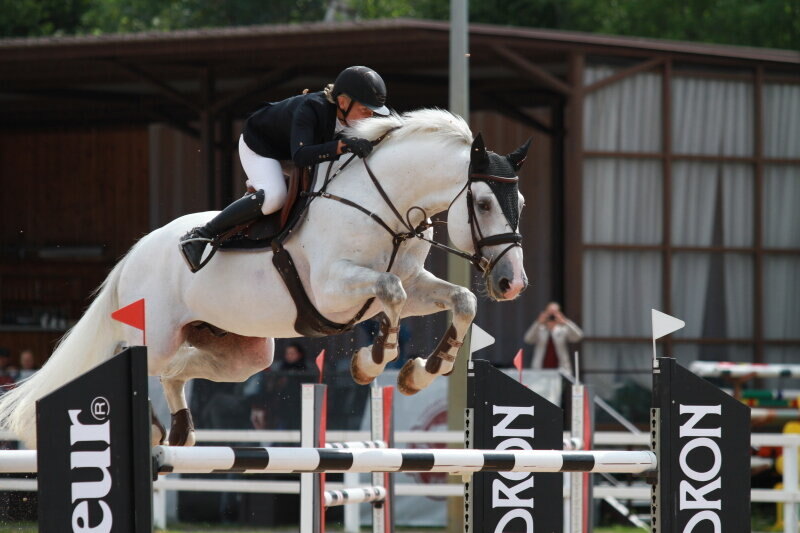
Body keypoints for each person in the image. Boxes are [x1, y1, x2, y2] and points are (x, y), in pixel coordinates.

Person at [179, 65, 390, 272]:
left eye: (372, 112)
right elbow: (301, 156)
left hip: (290, 150)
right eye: (365, 110)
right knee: (275, 197)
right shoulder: (311, 108)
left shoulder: (348, 118)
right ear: (343, 102)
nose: (369, 117)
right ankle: (200, 235)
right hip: (261, 146)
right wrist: (343, 146)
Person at [523, 302, 584, 374]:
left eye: (554, 313)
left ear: (559, 313)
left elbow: (579, 336)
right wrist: (538, 322)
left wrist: (565, 322)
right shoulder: (540, 329)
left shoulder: (563, 329)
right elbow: (528, 339)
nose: (552, 316)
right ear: (545, 313)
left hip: (561, 369)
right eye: (549, 313)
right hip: (541, 369)